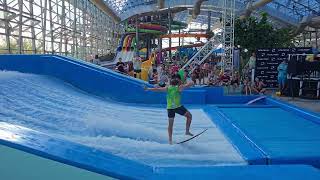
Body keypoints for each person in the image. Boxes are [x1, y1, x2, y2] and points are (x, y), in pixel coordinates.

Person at [145, 75, 194, 145]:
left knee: (170, 125)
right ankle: (187, 131)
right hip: (178, 107)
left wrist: (148, 89)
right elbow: (190, 84)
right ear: (177, 83)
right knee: (189, 116)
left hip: (170, 108)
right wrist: (190, 80)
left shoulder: (168, 88)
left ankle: (170, 141)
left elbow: (158, 90)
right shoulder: (179, 88)